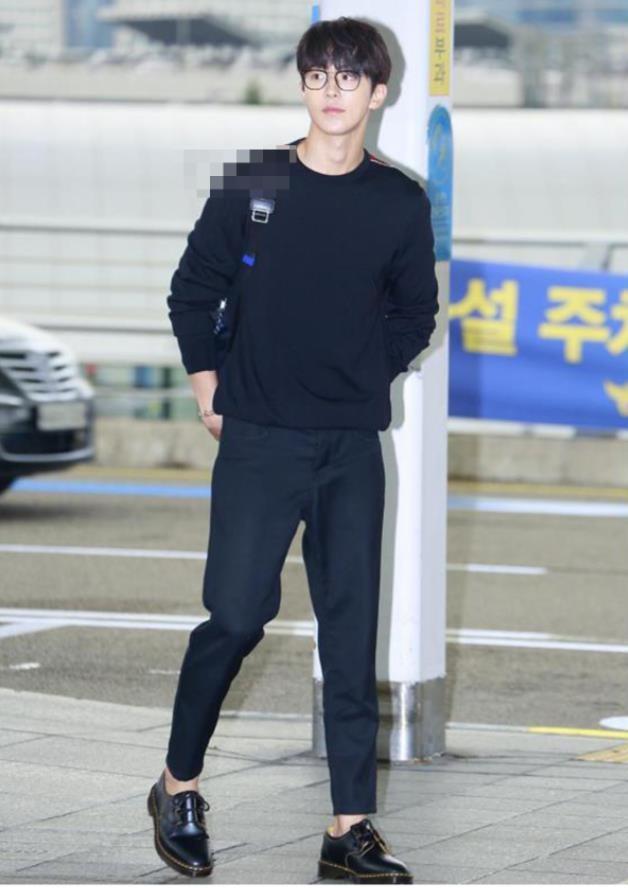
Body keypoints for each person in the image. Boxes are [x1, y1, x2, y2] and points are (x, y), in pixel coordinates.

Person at [147, 15, 439, 884]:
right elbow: (191, 290)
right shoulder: (254, 182)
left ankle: (349, 826)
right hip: (261, 438)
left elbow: (414, 314)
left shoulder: (399, 201)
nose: (332, 91)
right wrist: (207, 382)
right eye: (318, 76)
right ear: (304, 86)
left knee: (350, 633)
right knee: (236, 617)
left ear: (378, 92)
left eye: (350, 77)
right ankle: (177, 785)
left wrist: (364, 372)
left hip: (350, 445)